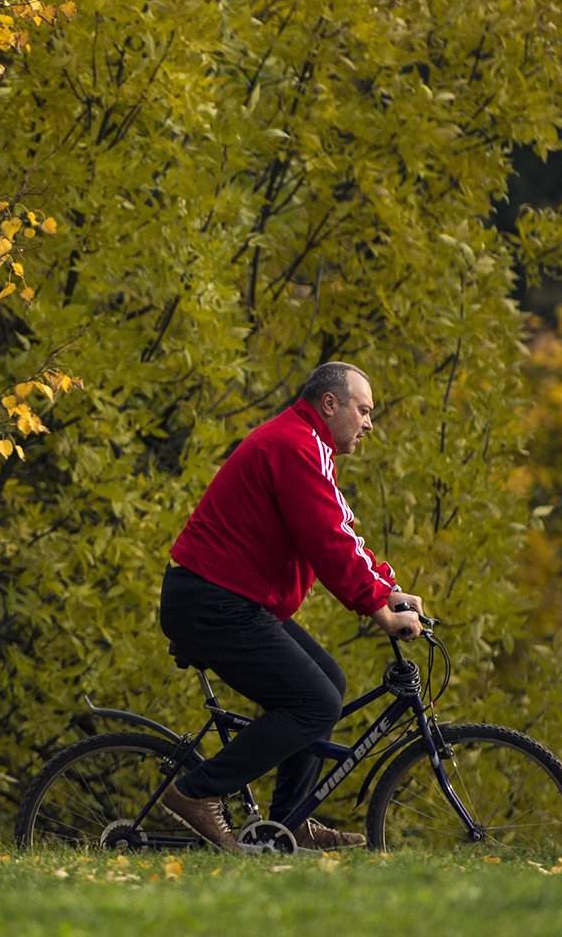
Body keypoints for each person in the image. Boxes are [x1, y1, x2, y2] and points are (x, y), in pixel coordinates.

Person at [158, 362, 424, 851]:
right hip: (211, 601)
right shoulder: (297, 446)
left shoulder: (308, 447)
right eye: (363, 410)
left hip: (228, 599)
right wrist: (379, 611)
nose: (369, 423)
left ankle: (291, 820)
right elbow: (327, 540)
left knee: (329, 685)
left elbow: (341, 530)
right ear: (330, 404)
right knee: (314, 701)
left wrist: (386, 588)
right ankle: (195, 793)